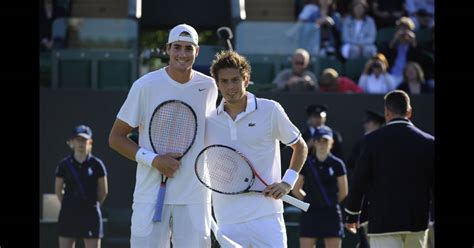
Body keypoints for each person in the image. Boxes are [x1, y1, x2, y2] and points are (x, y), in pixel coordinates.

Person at [108, 24, 218, 247]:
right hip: (150, 194)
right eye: (177, 47)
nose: (182, 54)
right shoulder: (144, 86)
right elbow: (116, 138)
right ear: (167, 49)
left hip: (195, 197)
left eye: (189, 48)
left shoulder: (210, 87)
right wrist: (155, 160)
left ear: (197, 52)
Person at [207, 50, 308, 247]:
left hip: (267, 216)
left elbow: (300, 146)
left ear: (246, 79)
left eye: (235, 80)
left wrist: (287, 183)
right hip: (227, 220)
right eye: (224, 81)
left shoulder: (270, 110)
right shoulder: (208, 120)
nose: (230, 87)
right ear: (217, 84)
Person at [345, 90, 434, 248]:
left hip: (383, 222)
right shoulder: (428, 142)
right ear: (409, 112)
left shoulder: (371, 141)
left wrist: (352, 214)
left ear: (386, 112)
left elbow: (359, 181)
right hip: (417, 221)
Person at [292, 126, 348, 248]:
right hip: (310, 213)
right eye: (318, 140)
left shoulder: (337, 164)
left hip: (331, 213)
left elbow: (344, 192)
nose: (322, 143)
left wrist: (329, 202)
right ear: (314, 142)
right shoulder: (306, 163)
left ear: (331, 142)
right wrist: (310, 201)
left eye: (325, 140)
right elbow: (296, 189)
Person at [55, 125, 108, 248]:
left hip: (91, 215)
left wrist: (91, 205)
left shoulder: (97, 164)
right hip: (68, 214)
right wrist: (69, 205)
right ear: (71, 142)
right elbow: (58, 190)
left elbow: (103, 191)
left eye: (84, 140)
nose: (81, 143)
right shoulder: (63, 165)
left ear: (90, 142)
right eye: (78, 139)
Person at [346, 110, 385, 248]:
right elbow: (352, 167)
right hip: (365, 197)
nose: (366, 125)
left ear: (377, 124)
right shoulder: (362, 142)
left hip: (383, 198)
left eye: (369, 122)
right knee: (365, 236)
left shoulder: (383, 142)